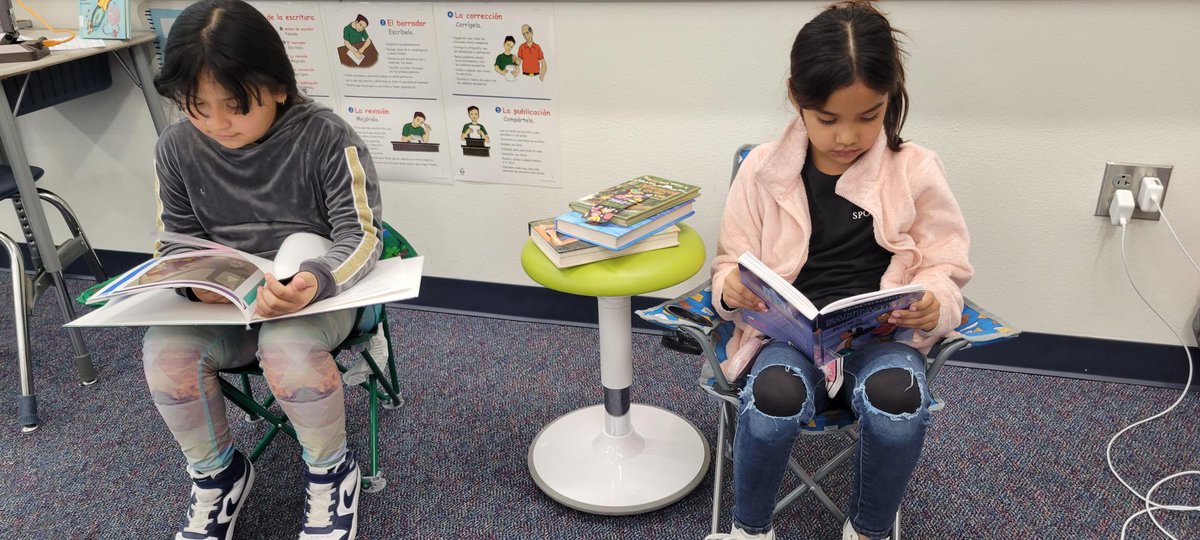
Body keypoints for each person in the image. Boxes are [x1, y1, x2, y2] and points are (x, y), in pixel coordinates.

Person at [704, 2, 972, 540]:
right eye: (828, 119)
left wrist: (935, 302)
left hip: (882, 338)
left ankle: (869, 530)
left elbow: (946, 262)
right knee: (773, 398)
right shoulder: (762, 170)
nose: (848, 136)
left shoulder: (915, 169)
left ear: (890, 98)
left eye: (869, 116)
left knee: (899, 400)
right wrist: (730, 288)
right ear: (795, 97)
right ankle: (749, 530)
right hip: (788, 337)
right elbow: (731, 261)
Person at [145, 1, 384, 539]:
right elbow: (174, 243)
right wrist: (195, 286)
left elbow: (362, 235)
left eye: (235, 105)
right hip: (230, 306)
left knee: (288, 348)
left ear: (278, 86)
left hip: (316, 298)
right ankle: (218, 476)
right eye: (196, 106)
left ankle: (332, 473)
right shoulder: (176, 146)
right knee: (165, 353)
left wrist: (314, 281)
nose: (217, 122)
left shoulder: (326, 135)